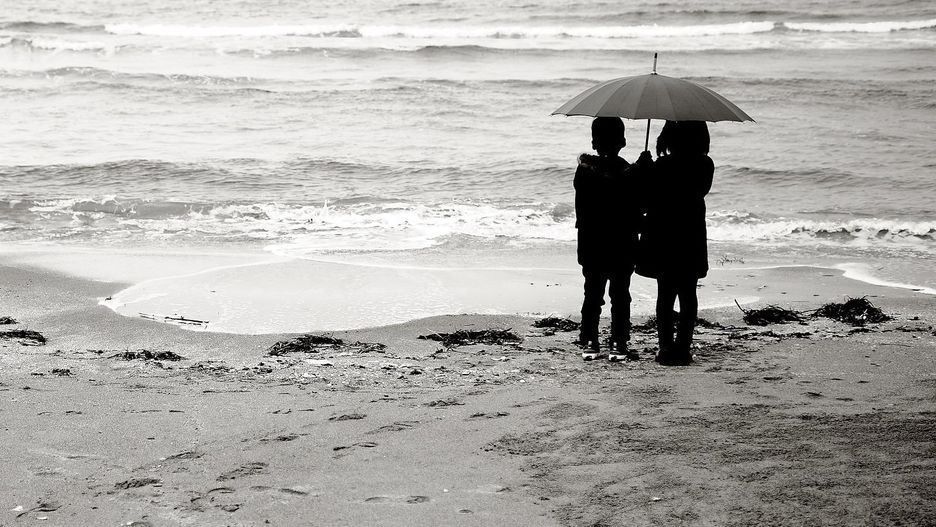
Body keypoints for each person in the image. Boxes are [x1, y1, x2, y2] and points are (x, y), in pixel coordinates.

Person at [636, 121, 714, 365]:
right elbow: (697, 191)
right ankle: (683, 347)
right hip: (690, 235)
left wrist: (644, 170)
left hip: (663, 235)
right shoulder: (705, 165)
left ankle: (665, 346)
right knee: (688, 294)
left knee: (665, 293)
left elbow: (645, 201)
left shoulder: (661, 166)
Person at [573, 117, 647, 362]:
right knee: (620, 294)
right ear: (622, 142)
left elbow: (599, 190)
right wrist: (642, 170)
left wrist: (637, 171)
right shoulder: (628, 172)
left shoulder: (584, 171)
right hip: (622, 241)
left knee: (592, 292)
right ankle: (618, 342)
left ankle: (590, 340)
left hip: (591, 241)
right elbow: (640, 205)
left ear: (594, 143)